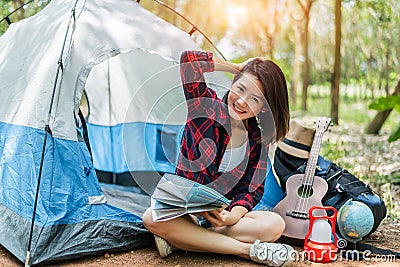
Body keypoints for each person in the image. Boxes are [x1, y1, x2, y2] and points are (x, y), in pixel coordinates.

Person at [143, 50, 293, 266]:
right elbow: (189, 61)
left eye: (255, 99)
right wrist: (238, 67)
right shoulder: (204, 107)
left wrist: (233, 215)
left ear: (264, 108)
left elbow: (252, 190)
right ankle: (247, 250)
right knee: (151, 217)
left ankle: (184, 240)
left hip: (221, 219)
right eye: (240, 89)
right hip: (189, 213)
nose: (242, 101)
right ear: (233, 84)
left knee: (275, 224)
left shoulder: (257, 139)